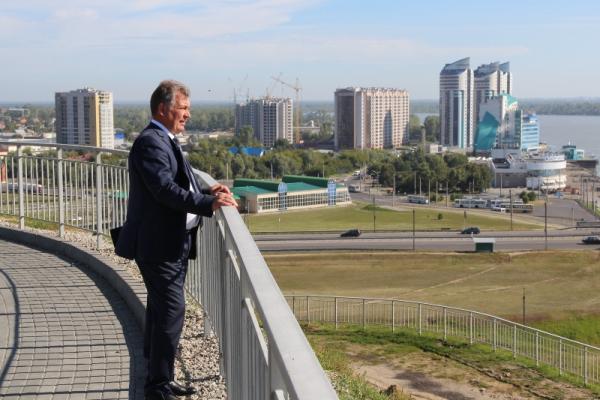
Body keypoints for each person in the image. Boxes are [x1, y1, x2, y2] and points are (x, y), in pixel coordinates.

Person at [115, 80, 238, 400]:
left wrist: (206, 189)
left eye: (188, 109)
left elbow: (180, 179)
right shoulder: (150, 142)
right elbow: (164, 189)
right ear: (163, 109)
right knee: (171, 311)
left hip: (171, 243)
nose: (188, 114)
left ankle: (160, 377)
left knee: (161, 312)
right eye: (183, 108)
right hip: (158, 245)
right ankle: (157, 386)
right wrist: (208, 204)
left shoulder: (164, 139)